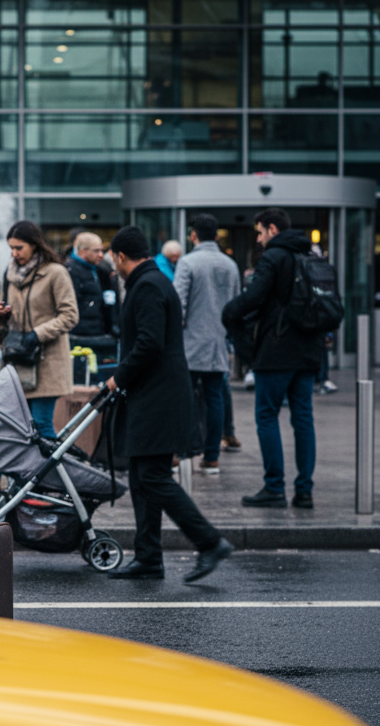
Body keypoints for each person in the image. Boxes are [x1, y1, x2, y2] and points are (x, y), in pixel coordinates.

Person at [106, 226, 232, 583]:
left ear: (119, 256)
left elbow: (149, 343)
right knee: (141, 476)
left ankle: (209, 541)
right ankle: (148, 557)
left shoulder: (147, 286)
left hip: (157, 397)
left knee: (153, 477)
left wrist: (120, 376)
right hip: (155, 394)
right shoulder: (154, 281)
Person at [222, 207, 320, 510]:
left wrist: (229, 313)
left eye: (261, 232)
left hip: (276, 350)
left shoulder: (273, 257)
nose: (259, 238)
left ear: (273, 230)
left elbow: (254, 297)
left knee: (267, 416)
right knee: (303, 418)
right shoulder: (311, 256)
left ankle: (274, 487)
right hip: (308, 350)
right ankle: (304, 491)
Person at [0, 220, 78, 440]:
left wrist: (38, 334)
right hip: (19, 362)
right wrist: (1, 317)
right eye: (11, 248)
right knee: (22, 429)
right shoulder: (9, 275)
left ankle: (55, 474)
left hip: (48, 363)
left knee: (41, 425)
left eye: (19, 247)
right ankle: (31, 474)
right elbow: (3, 319)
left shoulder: (55, 273)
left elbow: (70, 315)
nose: (14, 253)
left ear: (34, 245)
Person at [172, 213, 241, 475]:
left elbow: (179, 304)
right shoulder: (230, 265)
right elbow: (236, 305)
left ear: (193, 235)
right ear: (216, 235)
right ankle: (211, 457)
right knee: (215, 399)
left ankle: (179, 452)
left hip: (190, 343)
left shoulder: (188, 262)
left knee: (183, 399)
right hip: (218, 342)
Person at [66, 231, 118, 347]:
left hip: (98, 332)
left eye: (102, 250)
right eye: (96, 251)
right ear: (82, 252)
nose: (101, 254)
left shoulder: (101, 270)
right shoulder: (70, 272)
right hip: (81, 336)